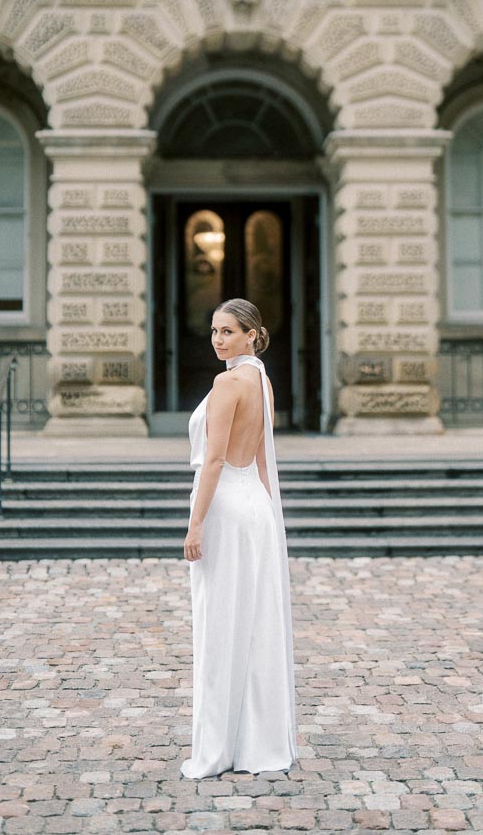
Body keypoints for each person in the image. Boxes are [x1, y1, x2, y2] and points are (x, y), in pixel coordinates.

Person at [181, 298, 297, 779]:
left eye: (227, 331)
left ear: (252, 334)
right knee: (253, 626)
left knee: (220, 626)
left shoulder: (227, 383)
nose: (217, 339)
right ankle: (256, 743)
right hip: (256, 510)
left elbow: (213, 461)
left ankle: (217, 751)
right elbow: (265, 461)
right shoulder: (263, 382)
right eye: (213, 330)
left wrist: (195, 523)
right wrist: (271, 515)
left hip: (227, 508)